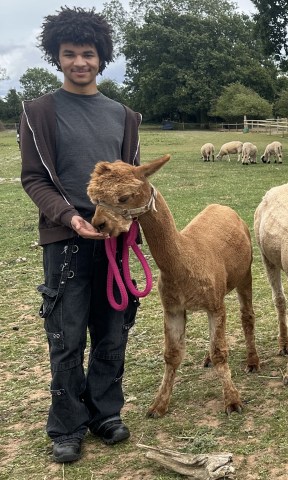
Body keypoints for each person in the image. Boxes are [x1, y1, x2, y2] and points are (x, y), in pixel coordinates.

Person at [19, 7, 142, 462]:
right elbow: (35, 178)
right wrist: (69, 217)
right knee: (66, 336)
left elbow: (132, 184)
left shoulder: (124, 116)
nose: (79, 62)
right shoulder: (39, 113)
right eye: (69, 54)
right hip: (66, 241)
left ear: (101, 57)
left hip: (115, 244)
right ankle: (66, 424)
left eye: (87, 54)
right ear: (57, 56)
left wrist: (129, 225)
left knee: (113, 330)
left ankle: (104, 412)